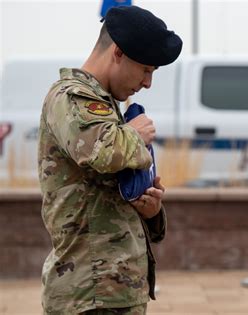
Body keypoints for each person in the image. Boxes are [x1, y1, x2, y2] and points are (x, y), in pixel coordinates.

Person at [37, 5, 182, 314]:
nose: (147, 83)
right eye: (146, 70)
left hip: (111, 290)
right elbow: (98, 152)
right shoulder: (72, 97)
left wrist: (150, 208)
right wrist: (135, 134)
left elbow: (102, 195)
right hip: (88, 293)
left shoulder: (105, 105)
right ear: (118, 53)